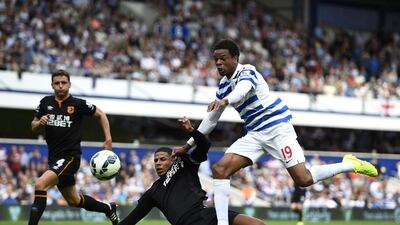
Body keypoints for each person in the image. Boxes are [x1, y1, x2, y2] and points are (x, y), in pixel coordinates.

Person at [173, 39, 378, 225]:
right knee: (220, 170)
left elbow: (242, 90)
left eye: (223, 59)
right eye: (216, 59)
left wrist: (226, 101)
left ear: (235, 58)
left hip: (277, 128)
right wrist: (188, 145)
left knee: (303, 179)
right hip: (255, 134)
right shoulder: (223, 87)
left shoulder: (248, 72)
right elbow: (210, 120)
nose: (218, 63)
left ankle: (349, 163)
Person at [119, 117, 265, 225]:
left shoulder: (184, 164)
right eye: (156, 160)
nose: (158, 163)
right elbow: (131, 219)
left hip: (208, 214)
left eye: (162, 159)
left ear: (172, 159)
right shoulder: (153, 192)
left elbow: (204, 145)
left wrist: (192, 131)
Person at [29, 69, 118, 225]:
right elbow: (33, 126)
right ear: (52, 85)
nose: (61, 86)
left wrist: (108, 139)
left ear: (69, 84)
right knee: (74, 200)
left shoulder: (78, 104)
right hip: (54, 158)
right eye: (57, 83)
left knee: (40, 184)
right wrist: (39, 122)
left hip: (70, 157)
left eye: (64, 83)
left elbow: (101, 115)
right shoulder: (45, 102)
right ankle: (108, 208)